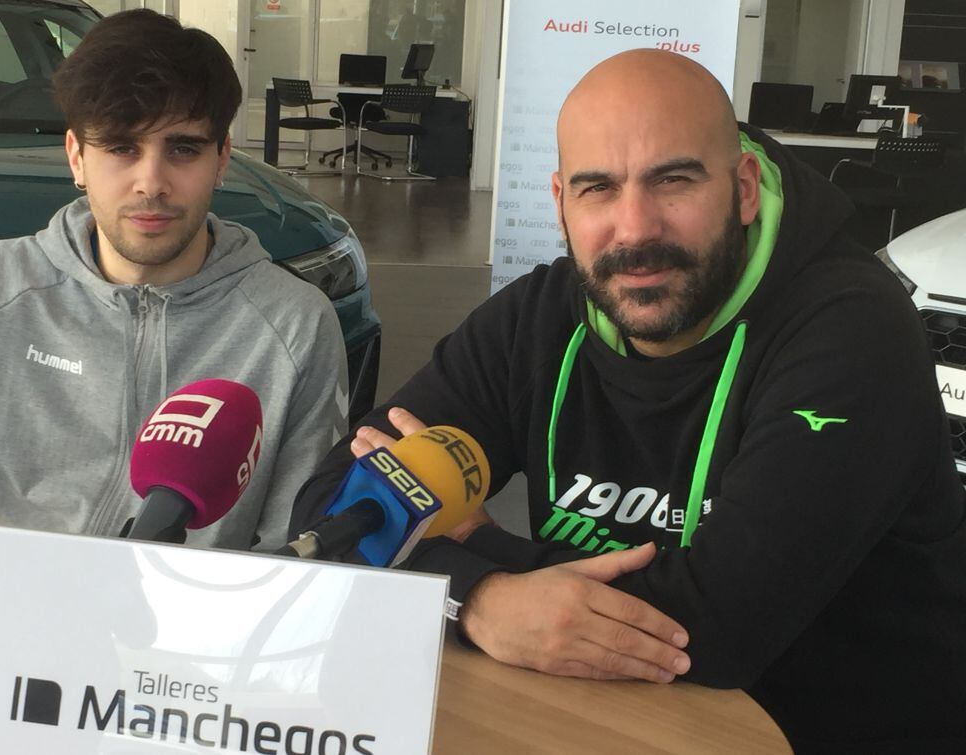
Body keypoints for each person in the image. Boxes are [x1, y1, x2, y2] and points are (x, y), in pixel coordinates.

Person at [294, 50, 966, 751]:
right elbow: (330, 508)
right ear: (560, 204)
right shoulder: (540, 320)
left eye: (673, 180)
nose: (636, 228)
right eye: (598, 189)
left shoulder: (854, 329)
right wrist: (482, 596)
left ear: (741, 188)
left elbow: (712, 630)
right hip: (605, 721)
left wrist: (476, 547)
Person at [0, 10, 346, 589]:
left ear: (222, 158)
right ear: (77, 156)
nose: (150, 182)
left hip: (175, 655)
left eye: (182, 150)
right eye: (121, 148)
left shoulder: (296, 326)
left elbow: (296, 565)